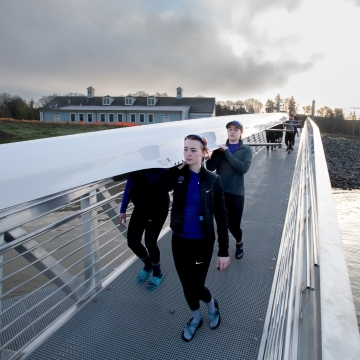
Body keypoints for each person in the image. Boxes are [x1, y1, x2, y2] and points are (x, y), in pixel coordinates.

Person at [158, 134, 230, 342]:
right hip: (179, 240)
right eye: (185, 149)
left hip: (202, 243)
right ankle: (196, 317)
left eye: (193, 150)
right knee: (185, 285)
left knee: (196, 286)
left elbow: (222, 217)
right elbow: (158, 191)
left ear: (204, 153)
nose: (188, 154)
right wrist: (174, 170)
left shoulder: (213, 181)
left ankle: (211, 304)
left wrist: (224, 251)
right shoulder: (179, 177)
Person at [206, 120, 252, 260]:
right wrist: (213, 153)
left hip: (236, 193)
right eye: (229, 129)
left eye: (236, 129)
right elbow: (210, 167)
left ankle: (239, 242)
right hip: (219, 192)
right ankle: (223, 252)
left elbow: (243, 168)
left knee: (234, 225)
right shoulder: (220, 149)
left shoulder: (246, 150)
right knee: (221, 224)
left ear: (241, 132)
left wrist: (227, 153)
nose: (232, 131)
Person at [119, 169, 169, 290]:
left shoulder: (157, 164)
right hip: (141, 206)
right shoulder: (135, 163)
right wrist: (123, 210)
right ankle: (148, 265)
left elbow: (167, 179)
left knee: (150, 242)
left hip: (158, 206)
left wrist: (148, 169)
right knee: (132, 241)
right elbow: (129, 185)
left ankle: (157, 272)